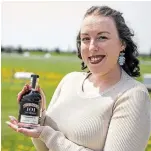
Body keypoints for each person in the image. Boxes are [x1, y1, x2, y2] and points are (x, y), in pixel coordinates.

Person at [6, 5, 151, 151]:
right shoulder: (69, 80)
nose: (92, 47)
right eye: (85, 38)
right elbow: (44, 148)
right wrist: (39, 116)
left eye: (102, 37)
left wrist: (48, 134)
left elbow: (50, 139)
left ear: (122, 44)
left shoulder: (133, 95)